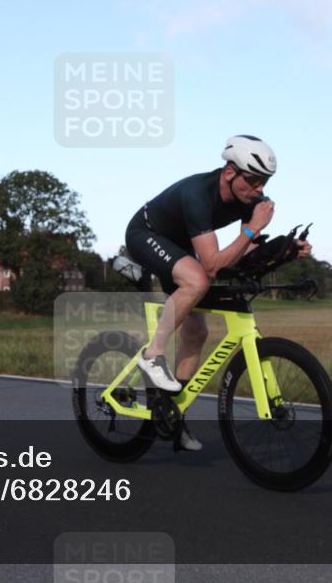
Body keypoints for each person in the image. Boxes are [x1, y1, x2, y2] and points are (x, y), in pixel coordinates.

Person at [124, 135, 312, 450]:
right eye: (252, 180)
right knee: (198, 281)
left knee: (197, 331)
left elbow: (244, 251)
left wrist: (286, 249)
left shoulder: (251, 200)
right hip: (146, 234)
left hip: (181, 245)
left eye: (263, 182)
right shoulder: (199, 193)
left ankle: (173, 413)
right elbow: (212, 266)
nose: (258, 189)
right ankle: (152, 355)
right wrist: (253, 227)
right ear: (229, 172)